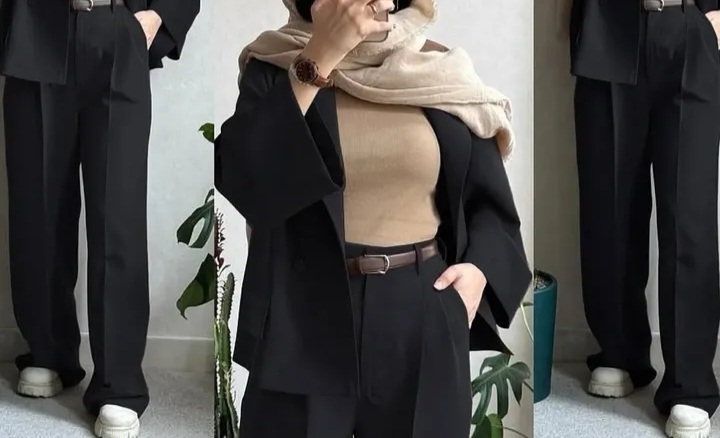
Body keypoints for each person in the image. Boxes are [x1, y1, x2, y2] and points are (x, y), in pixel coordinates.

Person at [215, 0, 532, 436]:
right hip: (301, 314)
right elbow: (244, 179)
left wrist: (478, 273)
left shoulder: (440, 73)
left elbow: (490, 206)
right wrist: (321, 53)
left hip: (420, 312)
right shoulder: (276, 64)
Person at [0, 1, 199, 437]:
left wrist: (157, 19)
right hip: (35, 28)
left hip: (119, 27)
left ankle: (118, 383)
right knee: (37, 207)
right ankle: (48, 352)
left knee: (118, 216)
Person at [570, 0, 720, 437]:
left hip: (693, 25)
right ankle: (619, 349)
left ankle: (690, 383)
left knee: (690, 214)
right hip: (607, 24)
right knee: (608, 203)